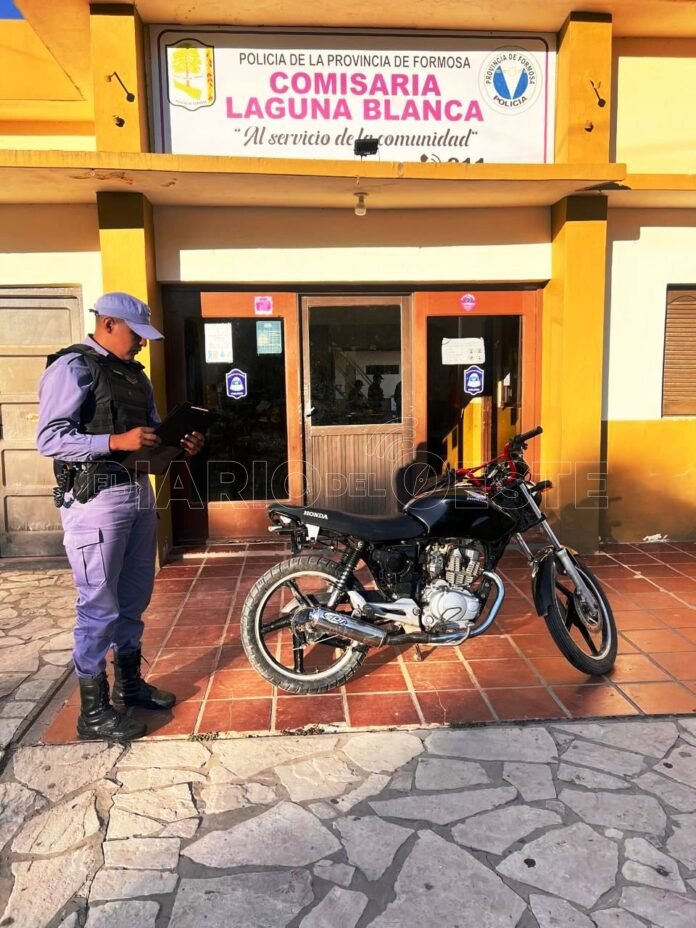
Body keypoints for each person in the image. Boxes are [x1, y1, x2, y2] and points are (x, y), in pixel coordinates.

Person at [36, 292, 205, 742]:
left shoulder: (135, 375)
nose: (142, 343)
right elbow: (49, 439)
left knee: (133, 599)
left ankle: (130, 684)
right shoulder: (72, 367)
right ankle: (92, 712)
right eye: (137, 334)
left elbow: (147, 438)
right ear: (108, 324)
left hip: (136, 492)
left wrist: (178, 444)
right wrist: (113, 442)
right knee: (98, 605)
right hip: (95, 500)